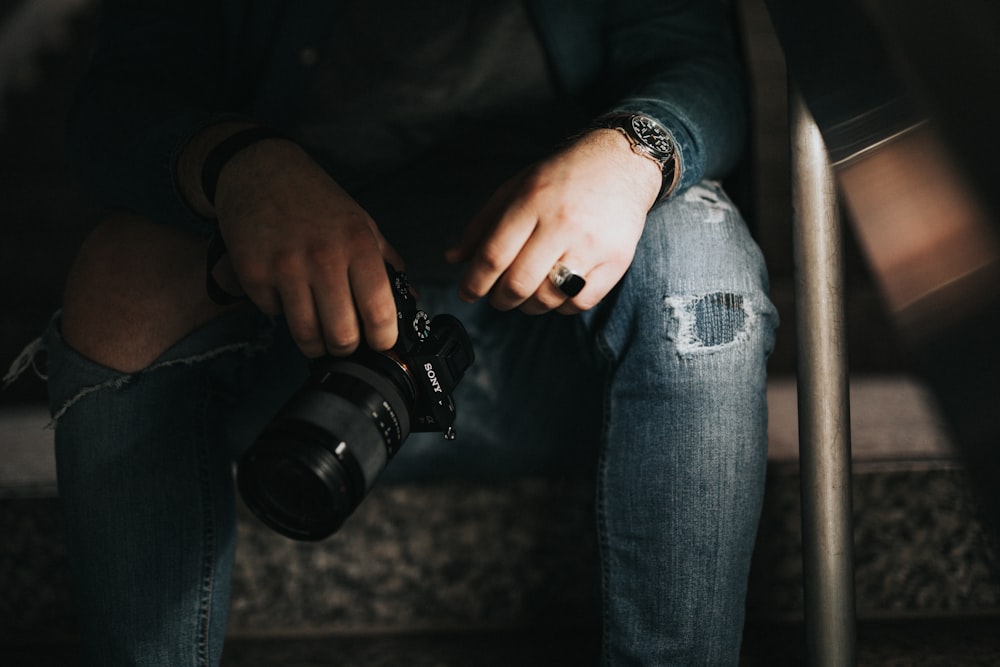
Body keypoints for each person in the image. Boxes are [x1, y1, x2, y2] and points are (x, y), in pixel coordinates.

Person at [42, 0, 778, 664]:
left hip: (558, 346)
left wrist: (627, 153)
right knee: (122, 273)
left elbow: (700, 65)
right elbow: (117, 103)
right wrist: (242, 166)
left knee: (699, 248)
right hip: (296, 346)